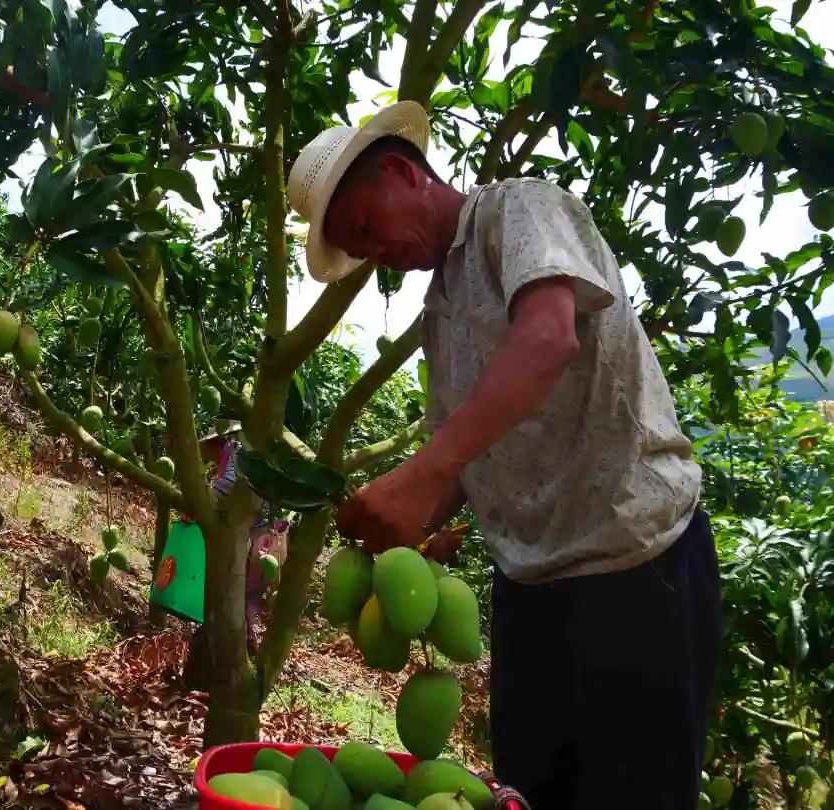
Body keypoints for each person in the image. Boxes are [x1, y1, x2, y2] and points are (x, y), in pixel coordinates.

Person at [287, 101, 721, 810]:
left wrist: (423, 472)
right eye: (361, 252)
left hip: (638, 572)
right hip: (531, 594)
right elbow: (464, 453)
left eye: (368, 227)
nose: (377, 253)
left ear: (402, 171)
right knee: (530, 793)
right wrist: (423, 524)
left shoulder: (520, 210)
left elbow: (548, 338)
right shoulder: (440, 310)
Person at [197, 423, 289, 650]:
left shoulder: (234, 452)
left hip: (264, 536)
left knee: (244, 591)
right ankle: (247, 642)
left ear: (213, 444)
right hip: (274, 533)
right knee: (249, 594)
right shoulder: (241, 453)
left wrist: (202, 504)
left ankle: (244, 645)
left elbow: (227, 485)